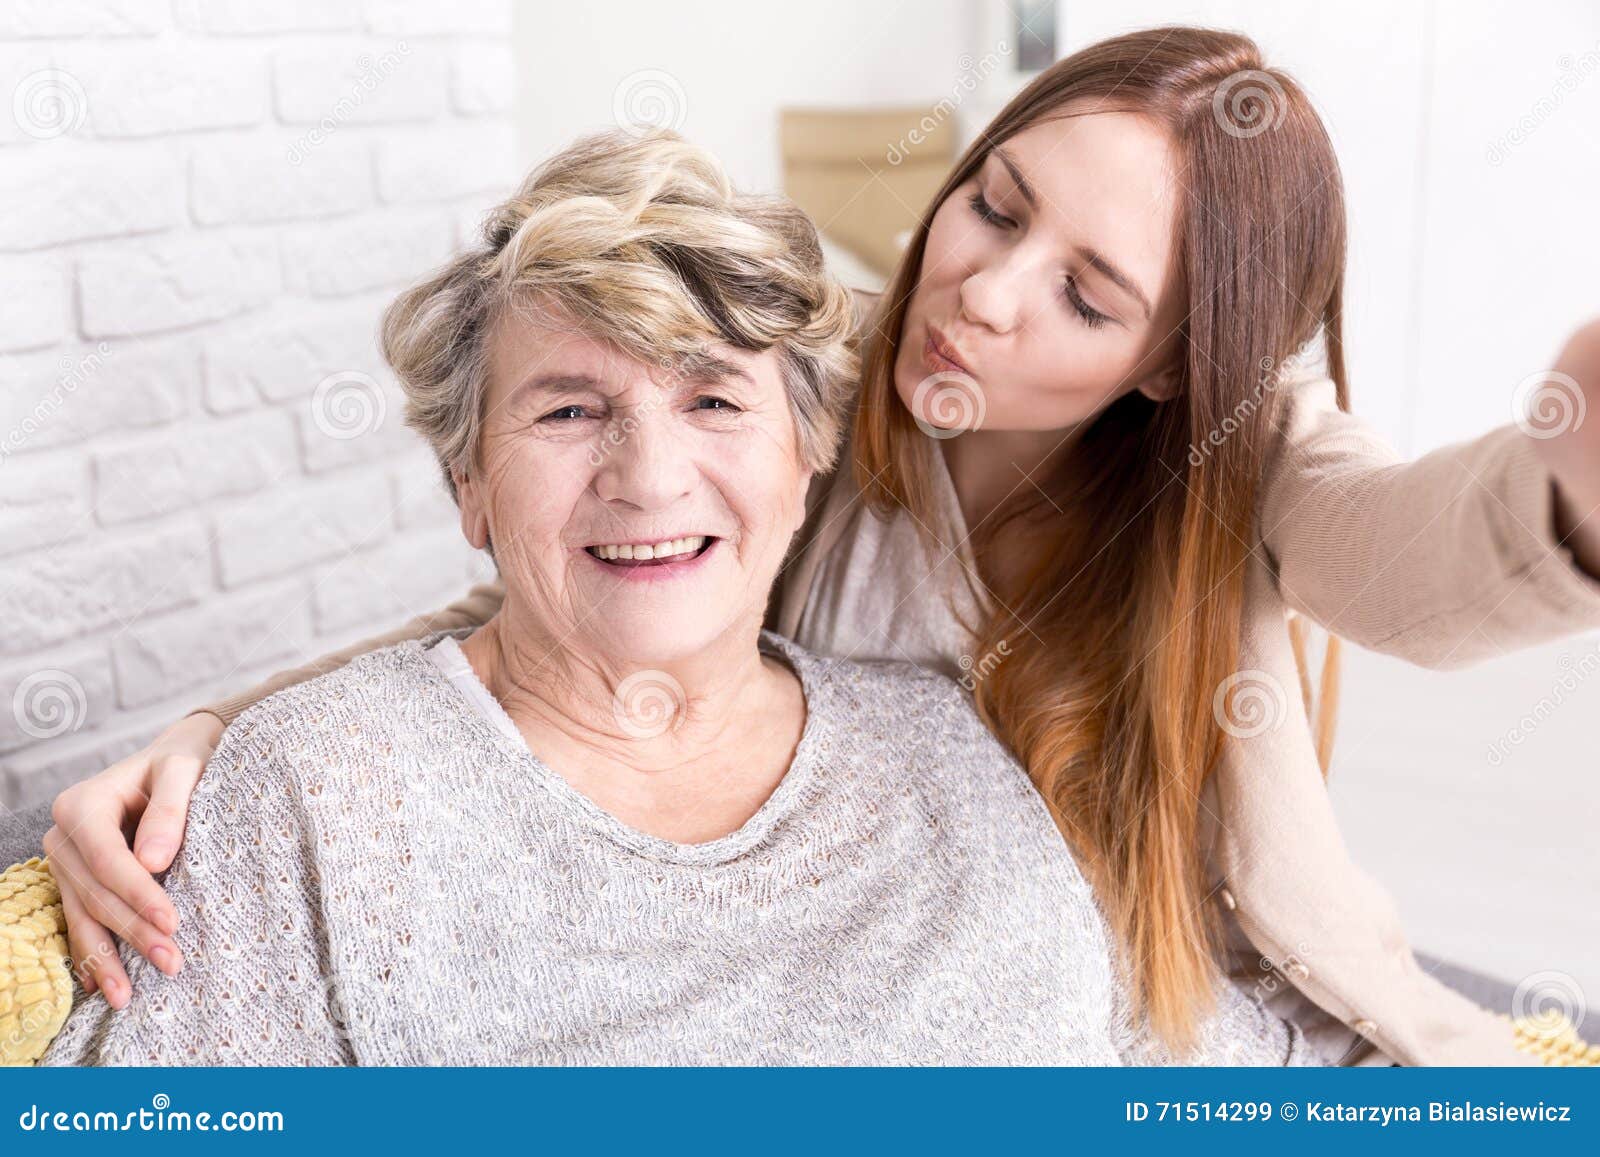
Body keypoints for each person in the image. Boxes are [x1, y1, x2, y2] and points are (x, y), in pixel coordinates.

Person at [44, 26, 1600, 1064]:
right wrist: (223, 736)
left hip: (1122, 992)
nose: (986, 290)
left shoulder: (1239, 459)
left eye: (1086, 294)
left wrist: (1566, 491)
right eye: (995, 206)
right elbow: (566, 573)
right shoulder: (816, 392)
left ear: (1176, 365)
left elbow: (1414, 555)